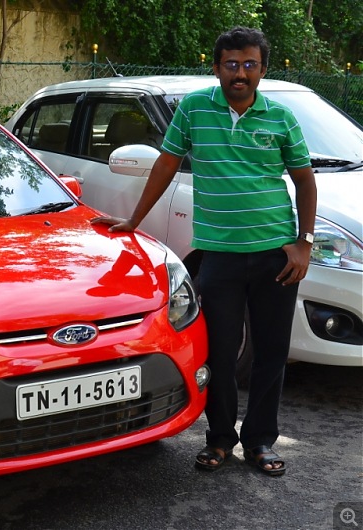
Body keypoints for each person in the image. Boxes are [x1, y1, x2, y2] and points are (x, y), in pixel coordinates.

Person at [93, 26, 317, 476]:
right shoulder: (195, 110)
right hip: (218, 255)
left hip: (276, 255)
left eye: (250, 64)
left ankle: (259, 442)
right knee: (216, 352)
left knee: (272, 353)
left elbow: (304, 180)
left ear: (262, 69)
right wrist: (134, 220)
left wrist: (303, 244)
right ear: (216, 67)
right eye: (232, 64)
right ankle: (219, 439)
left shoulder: (281, 118)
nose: (241, 73)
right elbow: (167, 163)